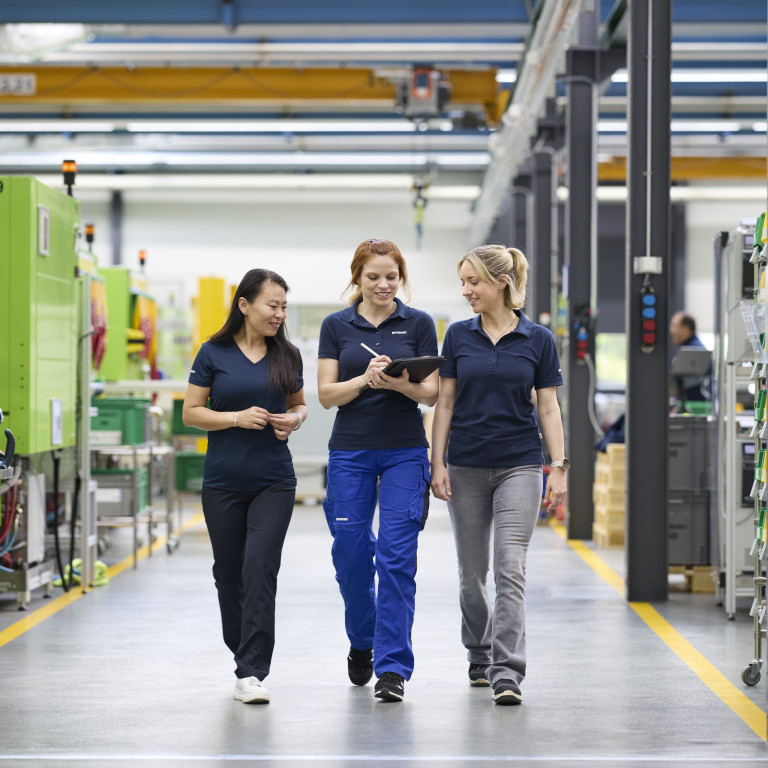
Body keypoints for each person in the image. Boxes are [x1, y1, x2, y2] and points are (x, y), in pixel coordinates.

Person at [430, 244, 567, 706]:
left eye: (474, 282)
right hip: (465, 464)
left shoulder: (538, 340)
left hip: (520, 465)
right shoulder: (457, 336)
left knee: (510, 568)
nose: (467, 291)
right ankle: (479, 649)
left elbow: (548, 406)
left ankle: (507, 670)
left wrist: (559, 468)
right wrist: (437, 462)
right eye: (463, 283)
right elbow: (444, 402)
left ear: (501, 282)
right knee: (473, 574)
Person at [318, 238, 439, 702]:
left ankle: (392, 668)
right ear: (357, 278)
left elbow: (429, 394)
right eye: (373, 277)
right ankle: (362, 639)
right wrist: (365, 380)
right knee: (350, 554)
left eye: (391, 276)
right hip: (350, 449)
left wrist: (398, 384)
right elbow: (327, 395)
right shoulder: (336, 325)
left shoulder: (419, 323)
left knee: (395, 556)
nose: (384, 285)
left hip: (405, 450)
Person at [182, 268, 307, 705]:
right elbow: (192, 413)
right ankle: (241, 650)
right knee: (228, 574)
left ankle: (251, 671)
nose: (279, 314)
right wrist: (235, 418)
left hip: (274, 479)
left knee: (260, 569)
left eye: (284, 307)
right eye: (273, 305)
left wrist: (295, 420)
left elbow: (299, 405)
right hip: (223, 482)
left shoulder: (288, 354)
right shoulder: (213, 353)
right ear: (245, 305)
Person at [669, 311, 711, 404]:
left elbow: (673, 389)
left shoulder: (694, 351)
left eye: (674, 326)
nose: (671, 330)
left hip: (695, 409)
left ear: (686, 329)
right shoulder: (689, 348)